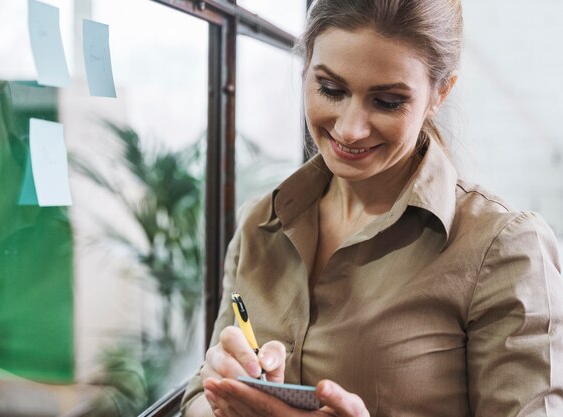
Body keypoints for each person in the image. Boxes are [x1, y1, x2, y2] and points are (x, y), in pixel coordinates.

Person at [181, 0, 563, 416]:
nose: (349, 129)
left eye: (386, 101)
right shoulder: (260, 222)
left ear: (440, 93)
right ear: (306, 65)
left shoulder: (504, 248)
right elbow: (196, 398)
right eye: (331, 89)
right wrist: (222, 399)